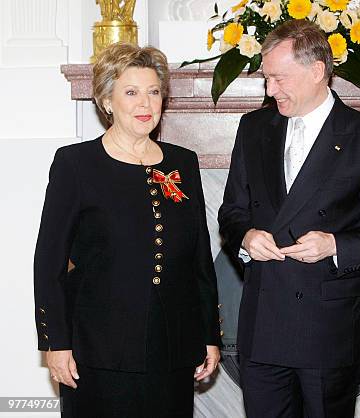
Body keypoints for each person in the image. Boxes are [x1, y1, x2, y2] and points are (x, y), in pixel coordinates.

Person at [218, 20, 360, 418]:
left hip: (329, 328)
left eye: (278, 78)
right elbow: (232, 211)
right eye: (267, 79)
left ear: (318, 71)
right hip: (263, 325)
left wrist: (335, 245)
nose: (270, 90)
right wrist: (246, 237)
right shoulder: (253, 128)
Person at [34, 42, 221, 417]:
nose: (145, 104)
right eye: (131, 92)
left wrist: (209, 336)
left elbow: (199, 257)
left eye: (154, 92)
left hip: (172, 349)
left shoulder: (183, 163)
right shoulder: (76, 164)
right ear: (106, 100)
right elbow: (49, 262)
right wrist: (55, 343)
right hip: (97, 350)